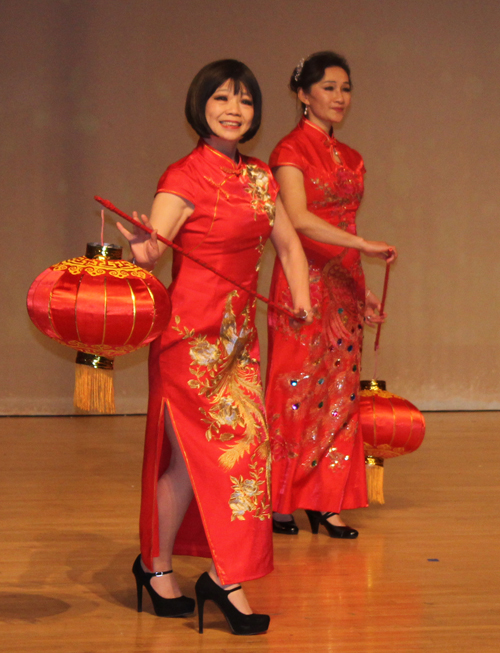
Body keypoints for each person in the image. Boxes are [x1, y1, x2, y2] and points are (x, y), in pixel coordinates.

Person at [117, 59, 312, 636]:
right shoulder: (183, 177)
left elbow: (290, 246)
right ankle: (176, 570)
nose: (235, 110)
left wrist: (300, 300)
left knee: (242, 459)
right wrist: (143, 251)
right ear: (200, 105)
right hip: (188, 343)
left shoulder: (259, 177)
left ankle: (203, 573)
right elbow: (153, 250)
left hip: (237, 343)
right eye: (223, 99)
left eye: (246, 101)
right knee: (198, 464)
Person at [266, 51, 397, 539]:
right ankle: (281, 499)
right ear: (303, 94)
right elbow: (297, 219)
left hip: (342, 284)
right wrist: (362, 245)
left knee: (339, 394)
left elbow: (344, 223)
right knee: (294, 390)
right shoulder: (289, 150)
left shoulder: (353, 157)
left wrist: (359, 289)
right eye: (328, 87)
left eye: (346, 88)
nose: (339, 97)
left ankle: (326, 500)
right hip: (302, 283)